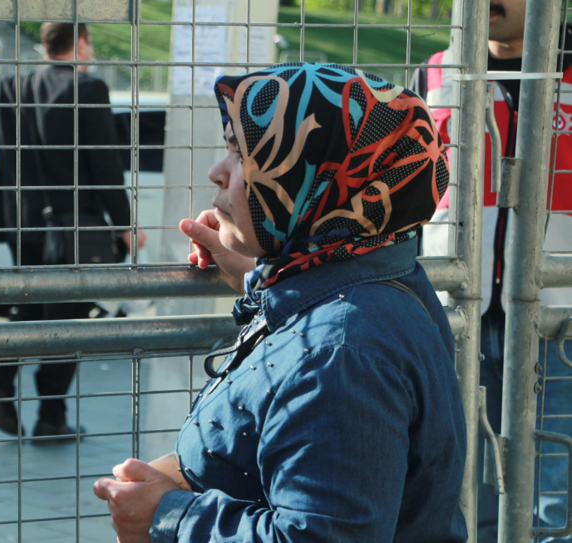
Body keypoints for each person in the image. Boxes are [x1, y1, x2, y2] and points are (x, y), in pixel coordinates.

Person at [93, 63, 467, 542]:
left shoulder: (340, 354)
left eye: (241, 154)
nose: (217, 171)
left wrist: (169, 516)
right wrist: (260, 273)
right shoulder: (374, 272)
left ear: (312, 178)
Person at [413, 1, 572, 539]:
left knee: (557, 491)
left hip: (559, 321)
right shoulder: (436, 72)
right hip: (459, 316)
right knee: (463, 482)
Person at [0, 22, 145, 441]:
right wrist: (124, 224)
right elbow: (104, 164)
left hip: (23, 223)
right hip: (73, 224)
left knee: (31, 303)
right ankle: (50, 417)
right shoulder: (89, 89)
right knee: (69, 318)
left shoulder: (14, 85)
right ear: (80, 43)